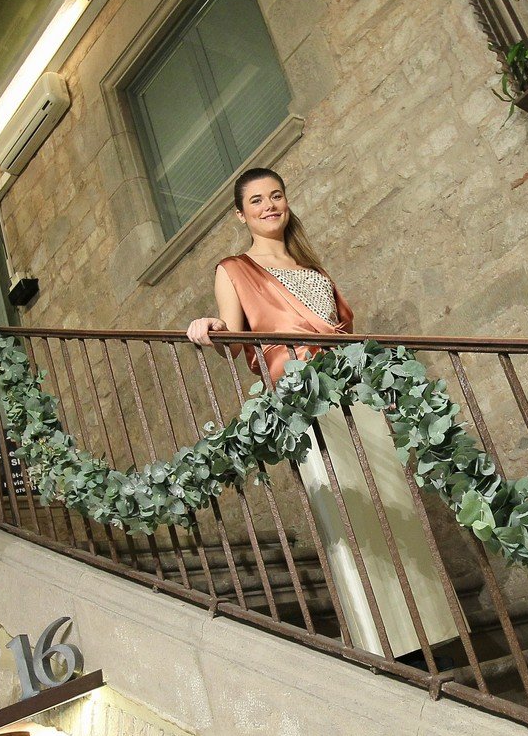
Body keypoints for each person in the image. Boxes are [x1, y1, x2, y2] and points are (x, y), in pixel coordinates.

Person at [186, 168, 462, 666]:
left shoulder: (309, 266)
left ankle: (435, 629)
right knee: (344, 506)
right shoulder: (234, 269)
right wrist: (209, 326)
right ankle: (382, 643)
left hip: (353, 388)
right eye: (256, 200)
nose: (269, 205)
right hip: (301, 396)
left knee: (391, 496)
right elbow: (230, 331)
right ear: (240, 213)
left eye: (276, 195)